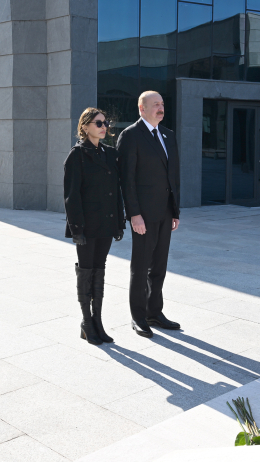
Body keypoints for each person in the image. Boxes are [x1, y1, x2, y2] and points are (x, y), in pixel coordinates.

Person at [117, 91, 181, 338]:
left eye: (163, 104)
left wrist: (175, 210)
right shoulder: (131, 135)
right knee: (141, 266)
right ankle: (138, 316)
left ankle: (155, 312)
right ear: (141, 109)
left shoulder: (168, 135)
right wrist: (134, 214)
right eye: (155, 105)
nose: (161, 108)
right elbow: (127, 179)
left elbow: (173, 175)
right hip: (143, 214)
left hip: (165, 212)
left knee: (159, 266)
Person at [63, 108, 124, 345]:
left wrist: (119, 222)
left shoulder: (110, 154)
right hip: (87, 225)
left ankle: (97, 321)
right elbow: (71, 195)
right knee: (87, 270)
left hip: (107, 223)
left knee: (100, 270)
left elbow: (116, 191)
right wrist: (76, 228)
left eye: (105, 123)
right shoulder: (77, 155)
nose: (103, 126)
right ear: (85, 126)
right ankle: (87, 322)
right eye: (98, 123)